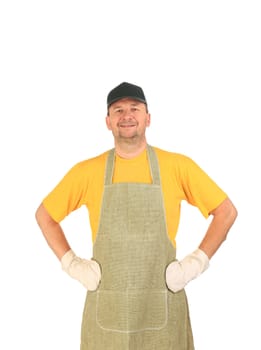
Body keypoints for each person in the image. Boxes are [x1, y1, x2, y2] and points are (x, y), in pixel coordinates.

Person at [35, 82, 238, 350]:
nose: (126, 115)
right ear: (108, 122)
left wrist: (195, 263)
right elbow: (45, 215)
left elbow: (226, 212)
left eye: (134, 108)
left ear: (148, 118)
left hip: (162, 305)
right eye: (118, 110)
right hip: (108, 310)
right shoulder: (87, 171)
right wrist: (72, 264)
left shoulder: (177, 166)